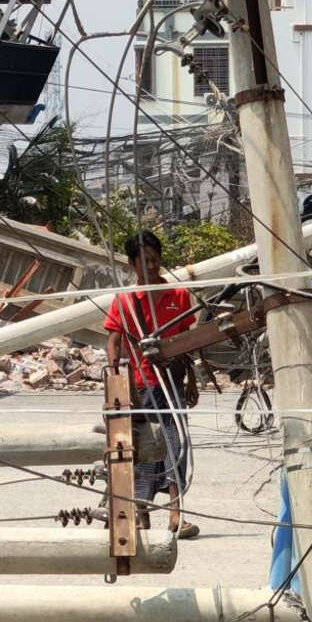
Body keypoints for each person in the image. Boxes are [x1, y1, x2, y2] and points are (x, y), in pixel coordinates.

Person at [102, 230, 200, 539]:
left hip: (171, 382)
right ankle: (142, 512)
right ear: (132, 263)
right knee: (144, 449)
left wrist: (192, 379)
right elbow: (114, 341)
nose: (153, 264)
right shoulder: (126, 300)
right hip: (139, 384)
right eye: (145, 260)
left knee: (174, 445)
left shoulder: (179, 296)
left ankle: (175, 513)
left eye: (156, 258)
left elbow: (188, 341)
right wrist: (116, 380)